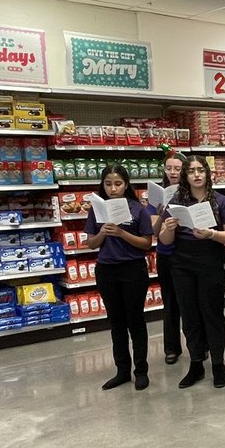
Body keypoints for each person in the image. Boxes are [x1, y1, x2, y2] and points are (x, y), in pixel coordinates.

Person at [157, 155, 225, 389]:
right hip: (181, 264)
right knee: (189, 315)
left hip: (210, 262)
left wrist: (212, 234)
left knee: (212, 314)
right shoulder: (176, 201)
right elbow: (163, 240)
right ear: (185, 175)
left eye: (200, 170)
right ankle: (196, 364)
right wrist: (169, 228)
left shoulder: (220, 201)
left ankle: (218, 364)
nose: (196, 174)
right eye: (191, 171)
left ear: (207, 173)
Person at [85, 164, 154, 391]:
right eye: (108, 184)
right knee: (116, 323)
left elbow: (146, 243)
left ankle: (141, 370)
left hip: (133, 269)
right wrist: (102, 233)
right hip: (106, 270)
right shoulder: (96, 210)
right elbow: (91, 243)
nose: (113, 189)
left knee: (135, 321)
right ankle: (122, 370)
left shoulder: (137, 209)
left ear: (126, 185)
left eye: (118, 184)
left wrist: (122, 233)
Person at [151, 151, 186, 364]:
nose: (172, 172)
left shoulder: (194, 192)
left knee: (193, 302)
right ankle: (171, 348)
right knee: (170, 303)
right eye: (169, 168)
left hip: (188, 252)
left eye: (177, 168)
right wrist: (160, 212)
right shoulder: (158, 194)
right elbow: (154, 231)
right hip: (166, 254)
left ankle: (201, 344)